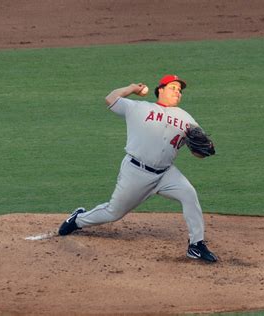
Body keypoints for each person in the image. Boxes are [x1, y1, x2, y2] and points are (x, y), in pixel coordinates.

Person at [58, 74, 218, 263]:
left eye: (179, 90)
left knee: (189, 195)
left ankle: (196, 245)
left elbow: (197, 153)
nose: (177, 92)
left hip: (166, 174)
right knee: (113, 212)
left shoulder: (186, 119)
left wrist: (204, 149)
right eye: (173, 87)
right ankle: (78, 219)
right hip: (136, 172)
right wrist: (132, 88)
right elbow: (110, 98)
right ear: (161, 90)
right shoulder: (138, 108)